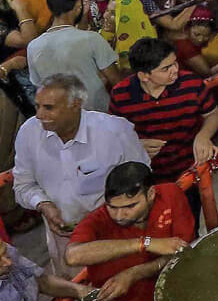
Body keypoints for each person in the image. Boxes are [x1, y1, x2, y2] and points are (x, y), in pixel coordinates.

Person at [11, 74, 147, 277]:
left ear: (76, 104)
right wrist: (44, 204)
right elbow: (23, 186)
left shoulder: (116, 131)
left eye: (48, 107)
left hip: (116, 232)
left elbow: (142, 179)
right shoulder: (28, 133)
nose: (39, 115)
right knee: (81, 293)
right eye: (37, 106)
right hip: (64, 239)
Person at [64, 161, 194, 301]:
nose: (119, 215)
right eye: (112, 207)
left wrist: (133, 273)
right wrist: (143, 244)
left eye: (130, 206)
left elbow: (184, 251)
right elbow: (73, 256)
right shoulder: (98, 221)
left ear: (150, 194)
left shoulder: (170, 195)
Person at [107, 39, 218, 182]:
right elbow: (113, 134)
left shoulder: (192, 83)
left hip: (191, 169)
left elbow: (213, 114)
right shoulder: (121, 94)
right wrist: (134, 145)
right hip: (147, 175)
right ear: (144, 76)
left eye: (175, 63)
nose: (175, 70)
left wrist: (204, 135)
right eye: (166, 69)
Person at [26, 0, 120, 112]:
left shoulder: (33, 46)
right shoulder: (92, 39)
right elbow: (116, 81)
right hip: (98, 114)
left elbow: (38, 86)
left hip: (61, 118)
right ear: (78, 5)